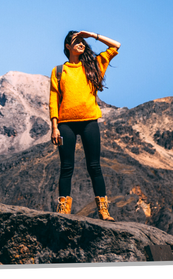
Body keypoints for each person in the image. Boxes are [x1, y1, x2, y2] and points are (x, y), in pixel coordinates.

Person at [49, 30, 121, 221]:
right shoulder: (58, 71)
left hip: (89, 122)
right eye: (77, 41)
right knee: (66, 167)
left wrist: (92, 35)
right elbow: (53, 100)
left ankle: (103, 210)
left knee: (94, 166)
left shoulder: (94, 65)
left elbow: (116, 46)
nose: (81, 44)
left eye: (83, 42)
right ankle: (63, 210)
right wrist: (54, 126)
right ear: (67, 46)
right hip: (66, 125)